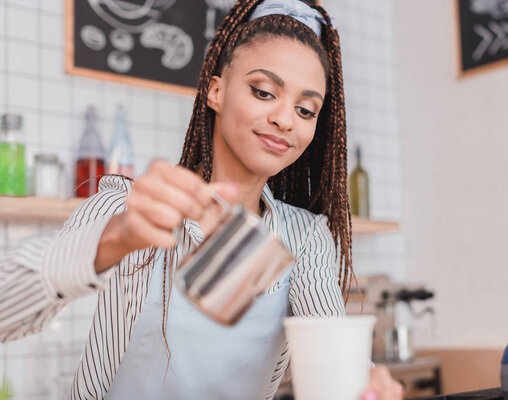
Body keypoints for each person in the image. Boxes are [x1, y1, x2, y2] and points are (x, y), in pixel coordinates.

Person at [0, 0, 404, 399]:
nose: (285, 119)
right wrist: (116, 238)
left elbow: (331, 356)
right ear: (216, 90)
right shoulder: (125, 207)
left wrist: (365, 386)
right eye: (264, 92)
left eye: (305, 109)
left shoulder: (306, 237)